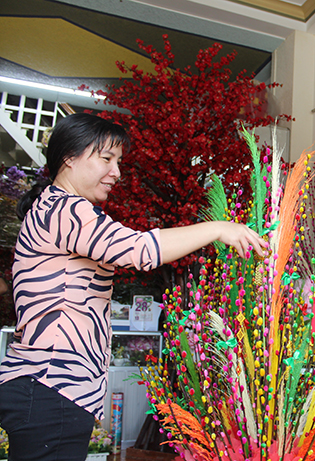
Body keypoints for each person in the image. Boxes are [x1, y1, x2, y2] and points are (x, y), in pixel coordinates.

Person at [0, 113, 266, 461]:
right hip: (53, 386)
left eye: (119, 161)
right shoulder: (67, 210)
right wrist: (220, 228)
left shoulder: (53, 207)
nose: (116, 173)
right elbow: (139, 250)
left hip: (49, 388)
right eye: (106, 159)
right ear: (69, 157)